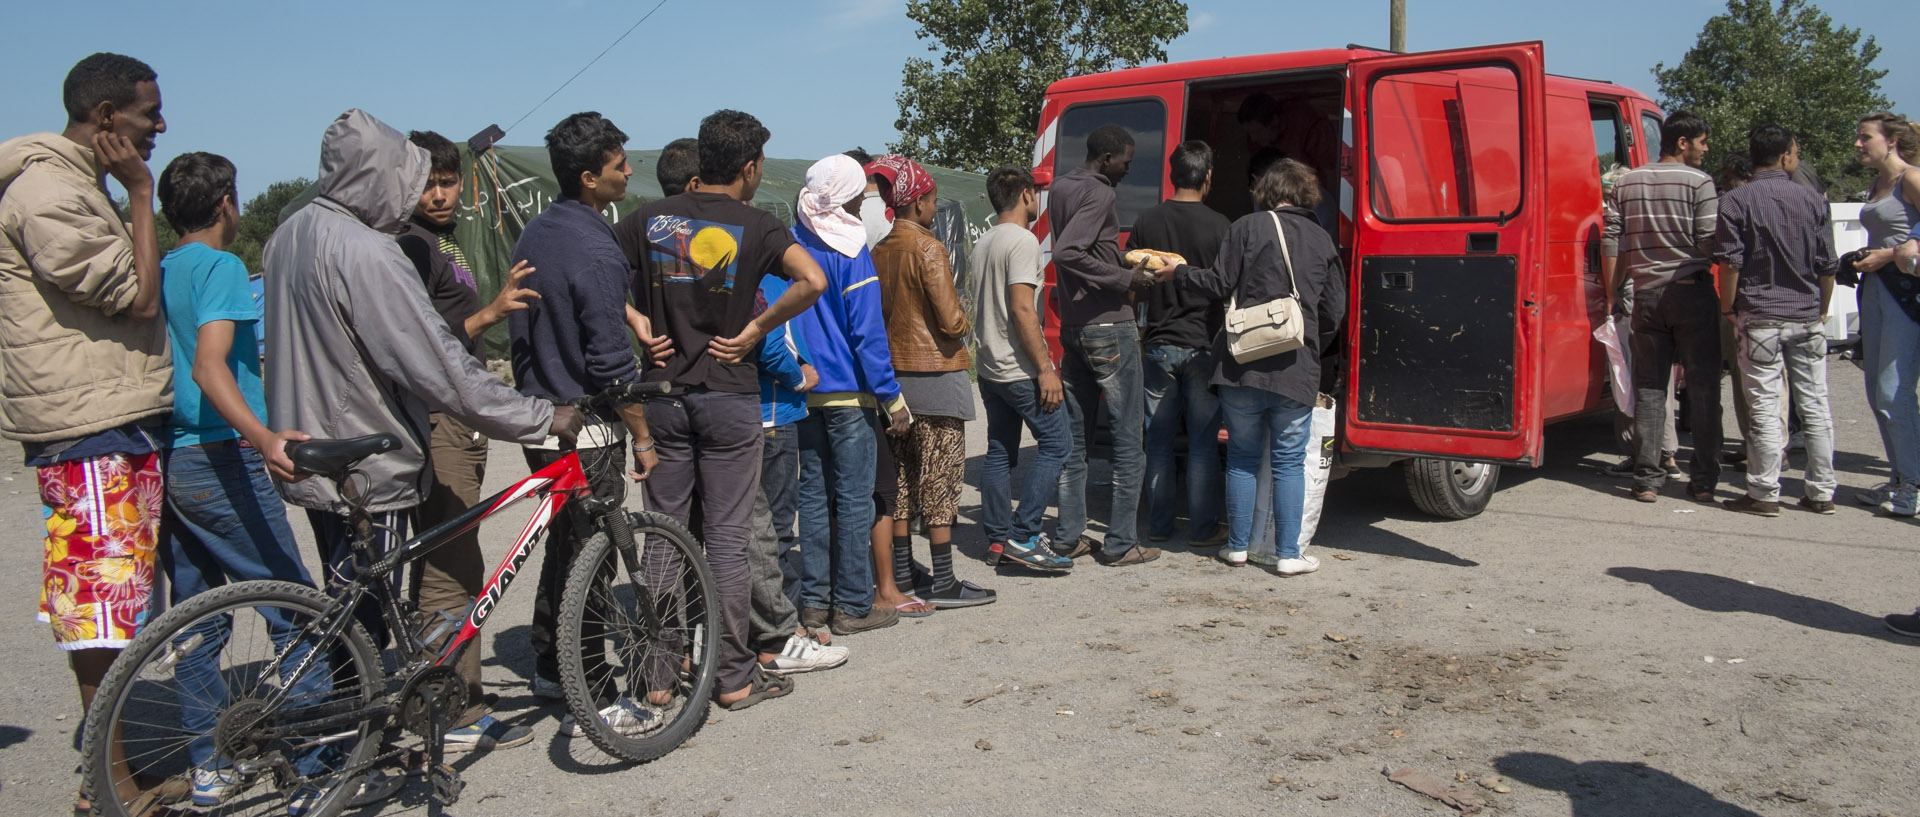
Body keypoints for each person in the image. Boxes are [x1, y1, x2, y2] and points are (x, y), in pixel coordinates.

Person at [264, 109, 578, 807]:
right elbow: (439, 368)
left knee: (352, 599)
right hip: (363, 452)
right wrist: (538, 413)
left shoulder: (292, 233)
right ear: (378, 175)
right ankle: (339, 754)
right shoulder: (367, 251)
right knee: (366, 616)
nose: (414, 196)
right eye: (408, 180)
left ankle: (356, 739)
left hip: (309, 445)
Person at [0, 52, 177, 814]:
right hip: (89, 428)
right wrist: (141, 192)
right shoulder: (46, 191)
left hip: (108, 422)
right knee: (101, 611)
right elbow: (138, 297)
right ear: (107, 119)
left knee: (119, 603)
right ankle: (108, 785)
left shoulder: (74, 184)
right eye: (147, 114)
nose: (159, 125)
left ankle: (114, 771)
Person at [615, 109, 827, 708]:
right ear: (751, 166)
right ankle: (733, 677)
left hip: (662, 397)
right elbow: (810, 279)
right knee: (729, 543)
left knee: (662, 536)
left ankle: (658, 676)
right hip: (730, 398)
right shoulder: (757, 225)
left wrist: (636, 322)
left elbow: (597, 275)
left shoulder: (650, 219)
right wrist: (756, 329)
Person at [149, 151, 327, 805]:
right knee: (294, 609)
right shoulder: (222, 267)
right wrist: (263, 435)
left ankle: (207, 765)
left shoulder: (161, 267)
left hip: (172, 457)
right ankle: (316, 760)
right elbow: (211, 364)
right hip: (222, 452)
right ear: (228, 201)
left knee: (198, 619)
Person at [388, 129, 546, 752]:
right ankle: (455, 709)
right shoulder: (410, 245)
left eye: (447, 181)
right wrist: (489, 313)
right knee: (449, 564)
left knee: (452, 556)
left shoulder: (440, 242)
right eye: (427, 182)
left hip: (456, 416)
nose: (438, 193)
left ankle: (445, 696)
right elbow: (415, 338)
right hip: (437, 418)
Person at [507, 112, 662, 734]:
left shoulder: (537, 232)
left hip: (538, 417)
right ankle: (591, 694)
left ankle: (549, 659)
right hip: (586, 426)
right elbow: (608, 360)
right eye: (619, 163)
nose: (629, 170)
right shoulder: (598, 245)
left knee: (567, 546)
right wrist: (643, 434)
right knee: (593, 559)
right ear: (589, 175)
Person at [1157, 158, 1345, 574]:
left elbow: (1219, 285)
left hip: (1242, 364)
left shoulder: (1244, 228)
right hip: (1295, 368)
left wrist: (1180, 272)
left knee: (1241, 458)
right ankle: (1288, 556)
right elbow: (1334, 310)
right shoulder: (1322, 239)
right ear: (1303, 195)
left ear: (1267, 192)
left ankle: (1238, 547)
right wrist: (1310, 341)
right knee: (1288, 461)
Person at [783, 154, 912, 637]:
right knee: (855, 499)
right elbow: (867, 333)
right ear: (847, 197)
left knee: (813, 498)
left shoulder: (793, 245)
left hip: (805, 392)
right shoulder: (850, 250)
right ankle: (854, 605)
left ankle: (815, 604)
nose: (864, 200)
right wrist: (891, 397)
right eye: (860, 193)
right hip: (851, 394)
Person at [869, 155, 995, 609]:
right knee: (940, 479)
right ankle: (944, 579)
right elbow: (949, 319)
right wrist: (963, 318)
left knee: (900, 481)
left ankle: (902, 573)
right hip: (937, 374)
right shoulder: (929, 247)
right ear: (919, 201)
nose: (933, 208)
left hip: (894, 381)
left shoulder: (880, 249)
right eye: (933, 200)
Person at [1713, 125, 1838, 517]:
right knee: (1815, 404)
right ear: (1784, 157)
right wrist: (1822, 307)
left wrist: (1728, 307)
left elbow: (1730, 263)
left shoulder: (1735, 201)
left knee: (1765, 406)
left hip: (1760, 315)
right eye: (1796, 152)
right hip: (1805, 315)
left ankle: (1764, 491)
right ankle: (1821, 491)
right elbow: (1827, 264)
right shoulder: (1813, 200)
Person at [1049, 123, 1159, 566]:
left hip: (1074, 327)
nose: (1128, 171)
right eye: (1126, 163)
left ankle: (1069, 535)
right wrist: (1126, 277)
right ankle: (1119, 543)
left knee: (1074, 441)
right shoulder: (1101, 193)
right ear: (1107, 158)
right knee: (1129, 439)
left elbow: (1073, 249)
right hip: (1108, 326)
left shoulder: (1060, 188)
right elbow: (1068, 252)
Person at [1601, 110, 1721, 504]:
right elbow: (1708, 238)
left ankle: (1647, 478)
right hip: (1690, 292)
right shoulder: (1700, 183)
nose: (1706, 149)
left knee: (1650, 389)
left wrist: (1615, 289)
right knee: (1703, 389)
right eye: (1702, 142)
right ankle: (1702, 480)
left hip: (1646, 296)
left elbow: (1612, 241)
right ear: (1682, 143)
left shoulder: (1626, 182)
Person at [970, 165, 1075, 573]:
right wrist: (1046, 369)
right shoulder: (1024, 242)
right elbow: (1021, 309)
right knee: (1057, 445)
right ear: (1027, 195)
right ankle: (1024, 536)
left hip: (989, 368)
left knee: (999, 450)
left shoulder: (984, 242)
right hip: (1018, 369)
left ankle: (998, 539)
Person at [1128, 141, 1231, 546]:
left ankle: (1158, 526)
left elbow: (1134, 286)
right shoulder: (1222, 226)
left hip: (1159, 343)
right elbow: (1227, 287)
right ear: (1207, 177)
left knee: (1158, 441)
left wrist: (1139, 331)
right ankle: (1204, 529)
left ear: (1172, 175)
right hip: (1204, 345)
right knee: (1204, 444)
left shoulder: (1147, 221)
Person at [1850, 111, 1920, 516]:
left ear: (1890, 141)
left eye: (1865, 137)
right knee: (1877, 392)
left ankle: (1913, 483)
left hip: (1904, 294)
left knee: (1895, 391)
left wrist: (1890, 254)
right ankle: (1899, 478)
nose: (1859, 144)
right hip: (1876, 291)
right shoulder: (1878, 184)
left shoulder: (1911, 178)